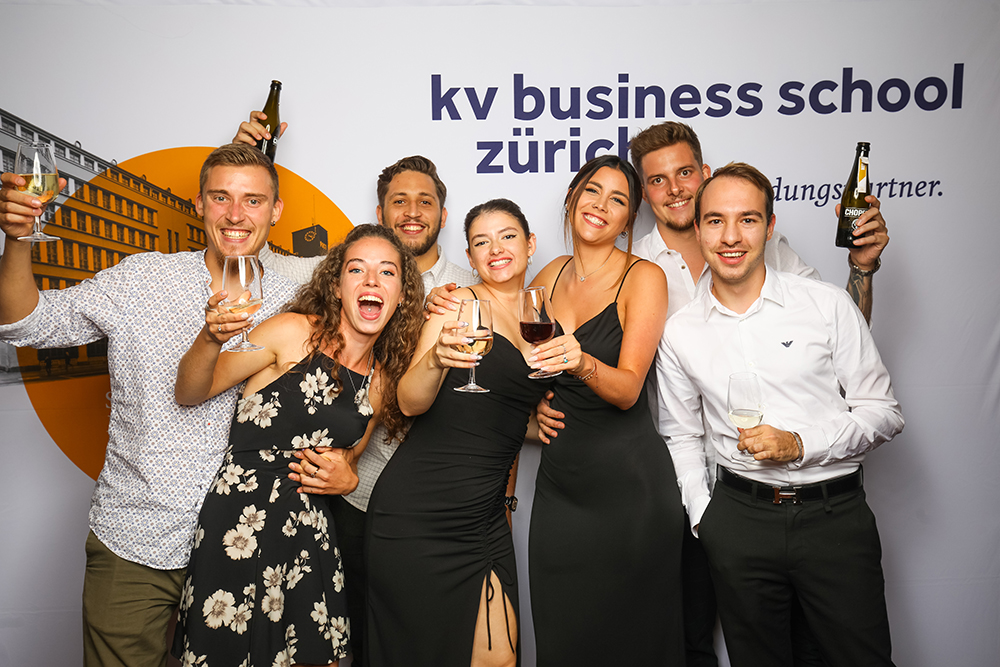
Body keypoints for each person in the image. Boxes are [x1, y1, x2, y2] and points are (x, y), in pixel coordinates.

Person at [537, 121, 891, 666]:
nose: (674, 188)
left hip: (812, 496)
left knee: (829, 648)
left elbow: (843, 338)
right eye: (657, 181)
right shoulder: (640, 264)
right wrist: (708, 516)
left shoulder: (778, 258)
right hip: (691, 488)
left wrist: (861, 269)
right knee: (694, 635)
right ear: (647, 196)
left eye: (684, 173)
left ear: (705, 176)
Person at [0, 143, 356, 667]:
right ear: (199, 204)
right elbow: (25, 322)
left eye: (253, 200)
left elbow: (340, 401)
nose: (236, 215)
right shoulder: (141, 278)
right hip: (137, 537)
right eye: (221, 197)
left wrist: (347, 464)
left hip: (249, 542)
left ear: (276, 211)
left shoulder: (295, 303)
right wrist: (17, 239)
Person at [235, 114, 474, 665]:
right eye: (398, 201)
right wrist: (250, 161)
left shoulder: (470, 287)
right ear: (380, 213)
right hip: (353, 496)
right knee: (347, 638)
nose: (412, 211)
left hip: (435, 505)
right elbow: (254, 255)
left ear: (442, 214)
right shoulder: (338, 271)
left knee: (421, 640)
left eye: (425, 201)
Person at [656, 162, 903, 667]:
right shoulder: (680, 331)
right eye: (716, 220)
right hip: (739, 522)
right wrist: (707, 519)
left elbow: (883, 412)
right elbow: (680, 435)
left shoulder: (827, 305)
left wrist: (799, 444)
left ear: (769, 227)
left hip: (834, 520)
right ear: (698, 228)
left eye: (747, 220)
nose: (730, 237)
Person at [171, 223, 424, 667]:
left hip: (309, 532)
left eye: (387, 272)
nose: (371, 281)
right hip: (241, 523)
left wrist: (348, 480)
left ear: (402, 295)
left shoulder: (382, 379)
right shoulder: (291, 331)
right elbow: (190, 392)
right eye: (357, 270)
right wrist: (211, 338)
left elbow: (348, 459)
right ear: (337, 286)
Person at [365, 199, 558, 667]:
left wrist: (539, 424)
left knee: (499, 659)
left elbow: (499, 408)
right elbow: (409, 402)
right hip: (419, 512)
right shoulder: (456, 307)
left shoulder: (541, 315)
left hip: (483, 516)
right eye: (481, 242)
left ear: (531, 244)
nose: (496, 249)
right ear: (470, 257)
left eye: (508, 236)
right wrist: (435, 359)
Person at [526, 155, 685, 664]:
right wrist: (531, 416)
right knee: (564, 641)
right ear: (572, 197)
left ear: (628, 219)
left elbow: (629, 389)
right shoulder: (548, 275)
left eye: (617, 200)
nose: (600, 205)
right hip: (560, 491)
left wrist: (581, 362)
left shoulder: (643, 277)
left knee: (635, 647)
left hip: (629, 492)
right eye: (592, 190)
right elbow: (517, 363)